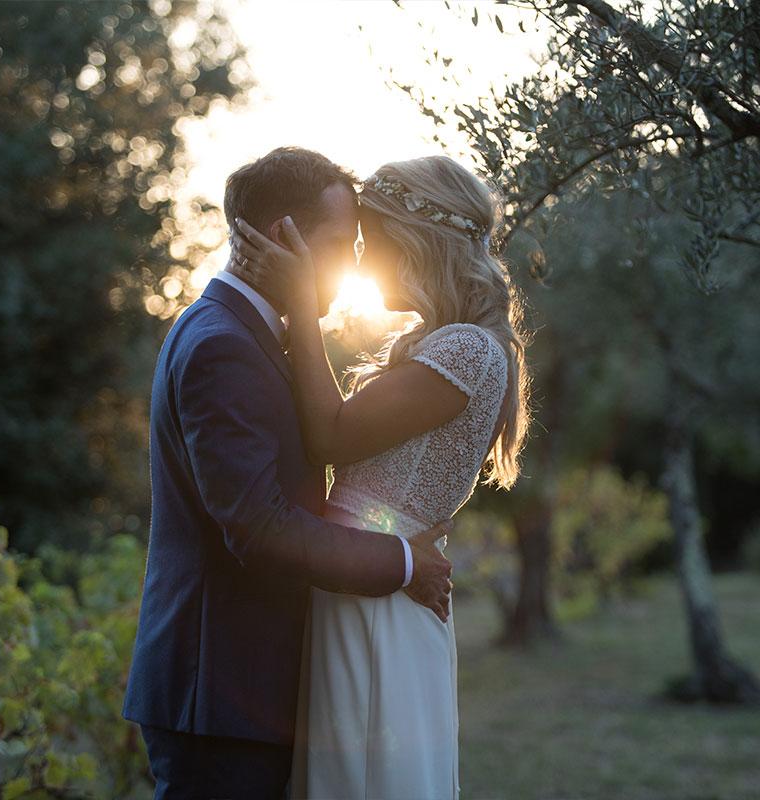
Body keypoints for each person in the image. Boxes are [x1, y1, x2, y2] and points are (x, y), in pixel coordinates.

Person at [122, 146, 457, 800]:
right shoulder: (224, 344)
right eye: (342, 243)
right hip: (219, 696)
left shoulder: (238, 333)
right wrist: (403, 564)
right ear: (286, 236)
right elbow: (256, 524)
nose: (355, 263)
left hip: (238, 694)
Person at [230, 154, 531, 799]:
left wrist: (302, 310)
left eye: (369, 243)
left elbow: (331, 435)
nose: (359, 264)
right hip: (369, 582)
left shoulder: (465, 349)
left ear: (413, 242)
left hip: (381, 599)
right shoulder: (440, 343)